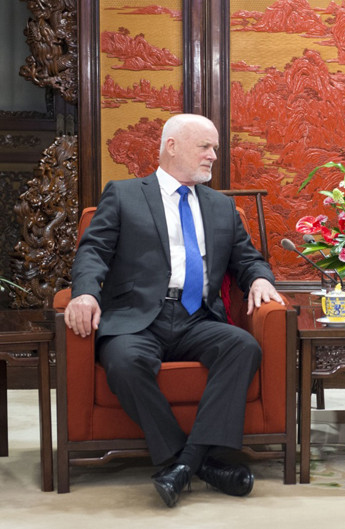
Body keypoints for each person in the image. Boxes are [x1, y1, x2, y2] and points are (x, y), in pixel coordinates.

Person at [64, 113, 284, 508]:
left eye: (214, 147)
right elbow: (93, 252)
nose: (213, 155)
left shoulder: (220, 207)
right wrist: (84, 293)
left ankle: (183, 465)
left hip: (196, 318)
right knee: (124, 361)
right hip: (137, 320)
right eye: (205, 146)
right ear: (171, 146)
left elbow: (248, 259)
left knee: (242, 347)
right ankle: (198, 462)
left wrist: (260, 279)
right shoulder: (125, 194)